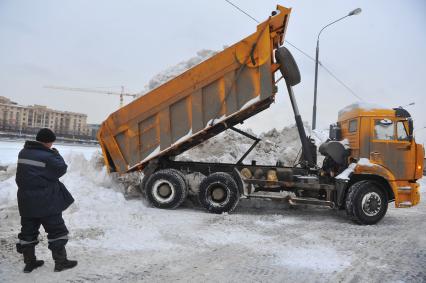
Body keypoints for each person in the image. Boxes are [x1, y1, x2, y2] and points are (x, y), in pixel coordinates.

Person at [15, 128, 77, 273]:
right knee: (56, 231)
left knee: (28, 232)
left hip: (26, 201)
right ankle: (61, 262)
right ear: (49, 142)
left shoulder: (23, 153)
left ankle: (29, 262)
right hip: (46, 201)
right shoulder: (48, 156)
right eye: (52, 142)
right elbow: (61, 169)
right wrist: (56, 154)